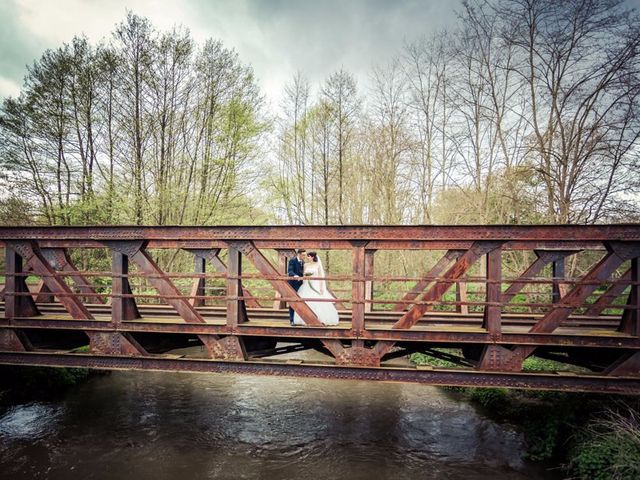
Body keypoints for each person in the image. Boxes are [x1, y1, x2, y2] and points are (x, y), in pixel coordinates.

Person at [292, 251, 340, 326]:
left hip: (316, 285)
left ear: (312, 257)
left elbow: (321, 277)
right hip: (307, 285)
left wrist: (321, 288)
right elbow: (304, 275)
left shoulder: (318, 265)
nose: (307, 257)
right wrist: (305, 278)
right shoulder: (306, 265)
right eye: (307, 256)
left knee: (318, 301)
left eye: (308, 256)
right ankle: (306, 319)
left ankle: (320, 319)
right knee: (305, 301)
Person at [287, 248, 305, 325]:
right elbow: (290, 271)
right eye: (303, 255)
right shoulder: (292, 261)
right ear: (299, 254)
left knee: (301, 302)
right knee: (293, 302)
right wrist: (295, 275)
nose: (304, 256)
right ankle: (292, 320)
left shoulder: (303, 262)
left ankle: (300, 319)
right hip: (293, 284)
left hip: (301, 285)